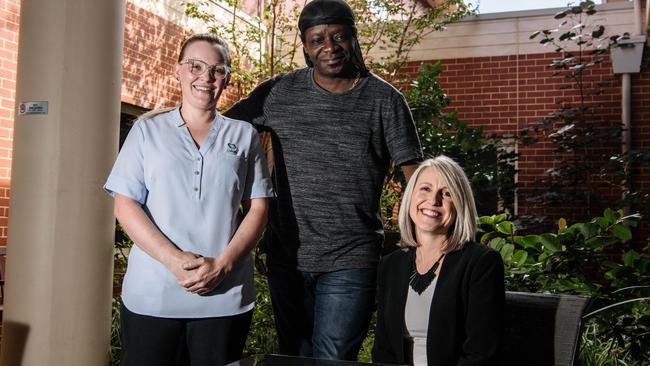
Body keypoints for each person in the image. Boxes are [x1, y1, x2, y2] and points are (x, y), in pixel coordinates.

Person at [224, 0, 423, 360]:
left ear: (353, 38)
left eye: (338, 37)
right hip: (286, 255)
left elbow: (416, 178)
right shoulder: (278, 92)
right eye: (317, 40)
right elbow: (223, 132)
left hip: (352, 256)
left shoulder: (384, 100)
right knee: (294, 355)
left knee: (333, 358)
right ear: (305, 46)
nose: (329, 47)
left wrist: (422, 243)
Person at [104, 33, 274, 366]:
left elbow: (259, 207)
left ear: (226, 78)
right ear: (179, 71)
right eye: (195, 66)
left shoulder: (243, 135)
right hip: (153, 295)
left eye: (217, 69)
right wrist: (172, 260)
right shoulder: (146, 131)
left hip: (225, 298)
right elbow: (125, 205)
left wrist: (222, 266)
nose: (205, 77)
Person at [371, 155, 505, 366]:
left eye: (447, 193)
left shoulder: (482, 263)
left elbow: (481, 354)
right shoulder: (390, 266)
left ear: (460, 205)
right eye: (425, 189)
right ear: (410, 196)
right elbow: (383, 351)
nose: (433, 201)